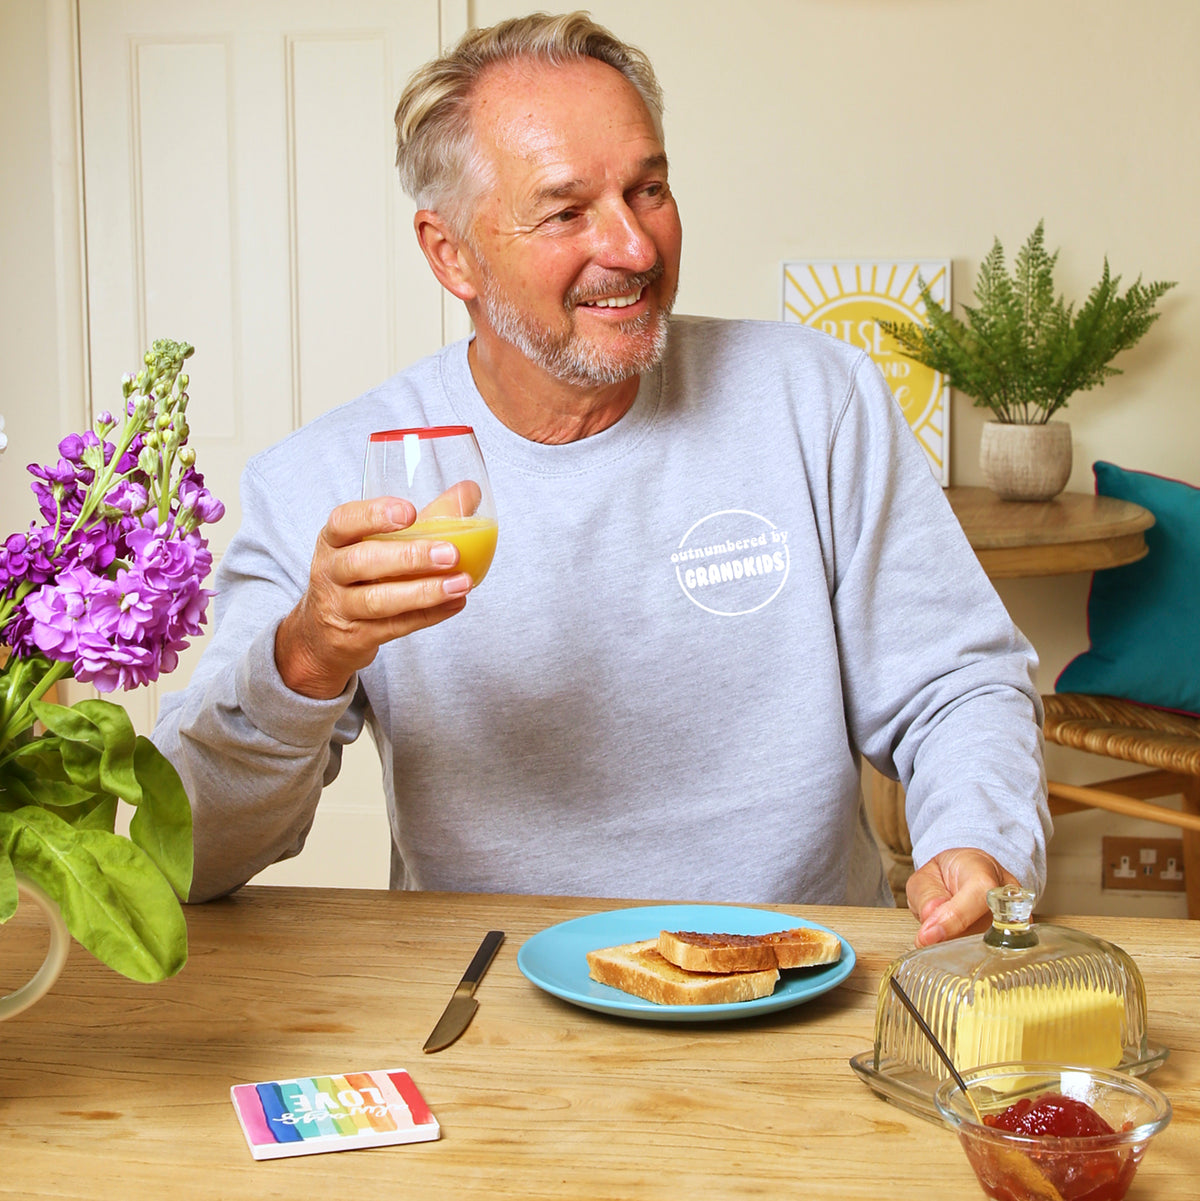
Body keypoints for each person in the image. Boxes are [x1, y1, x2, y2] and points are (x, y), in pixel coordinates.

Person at [154, 11, 1049, 946]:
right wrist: (306, 656)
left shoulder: (815, 399)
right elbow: (190, 856)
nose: (633, 248)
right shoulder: (327, 478)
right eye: (567, 210)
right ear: (449, 251)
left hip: (800, 979)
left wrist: (978, 837)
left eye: (648, 188)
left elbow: (958, 681)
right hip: (486, 1000)